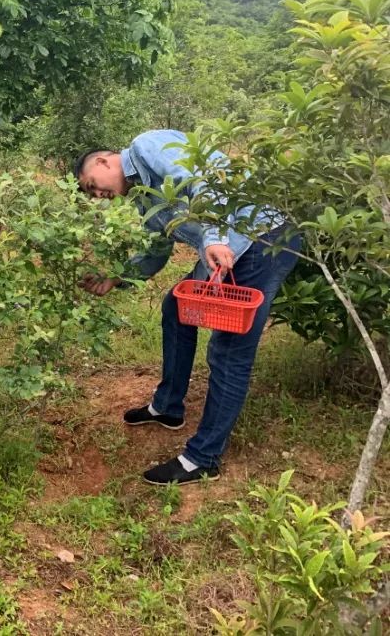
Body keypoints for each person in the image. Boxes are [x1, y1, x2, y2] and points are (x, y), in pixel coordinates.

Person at [73, 130, 300, 485]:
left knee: (228, 351)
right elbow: (155, 251)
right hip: (226, 251)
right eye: (91, 195)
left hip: (261, 239)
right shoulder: (145, 199)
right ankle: (167, 407)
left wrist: (212, 239)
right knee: (176, 308)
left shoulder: (145, 147)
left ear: (103, 161)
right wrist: (116, 278)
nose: (98, 195)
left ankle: (202, 457)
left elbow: (204, 182)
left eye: (91, 186)